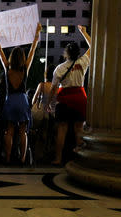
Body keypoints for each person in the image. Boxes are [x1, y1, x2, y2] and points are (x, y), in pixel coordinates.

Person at [0, 23, 42, 164]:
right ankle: (23, 158)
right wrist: (36, 33)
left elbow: (0, 51)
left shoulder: (7, 68)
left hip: (10, 101)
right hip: (23, 100)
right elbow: (32, 50)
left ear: (12, 57)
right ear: (22, 57)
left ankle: (7, 158)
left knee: (9, 131)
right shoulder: (25, 68)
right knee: (23, 132)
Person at [46, 25, 91, 165]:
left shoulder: (59, 68)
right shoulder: (83, 62)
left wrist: (48, 103)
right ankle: (79, 159)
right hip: (79, 98)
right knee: (79, 130)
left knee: (62, 130)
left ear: (66, 54)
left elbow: (53, 88)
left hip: (64, 100)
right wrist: (84, 32)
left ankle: (58, 158)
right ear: (77, 53)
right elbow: (94, 46)